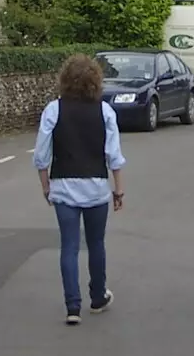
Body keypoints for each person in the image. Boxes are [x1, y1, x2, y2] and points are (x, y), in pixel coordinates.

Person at [34, 54, 126, 325]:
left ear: (65, 80)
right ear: (95, 81)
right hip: (96, 187)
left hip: (63, 186)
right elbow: (114, 156)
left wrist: (45, 186)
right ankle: (97, 297)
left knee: (69, 246)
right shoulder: (105, 111)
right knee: (96, 243)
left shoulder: (54, 109)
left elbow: (41, 155)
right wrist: (118, 191)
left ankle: (72, 306)